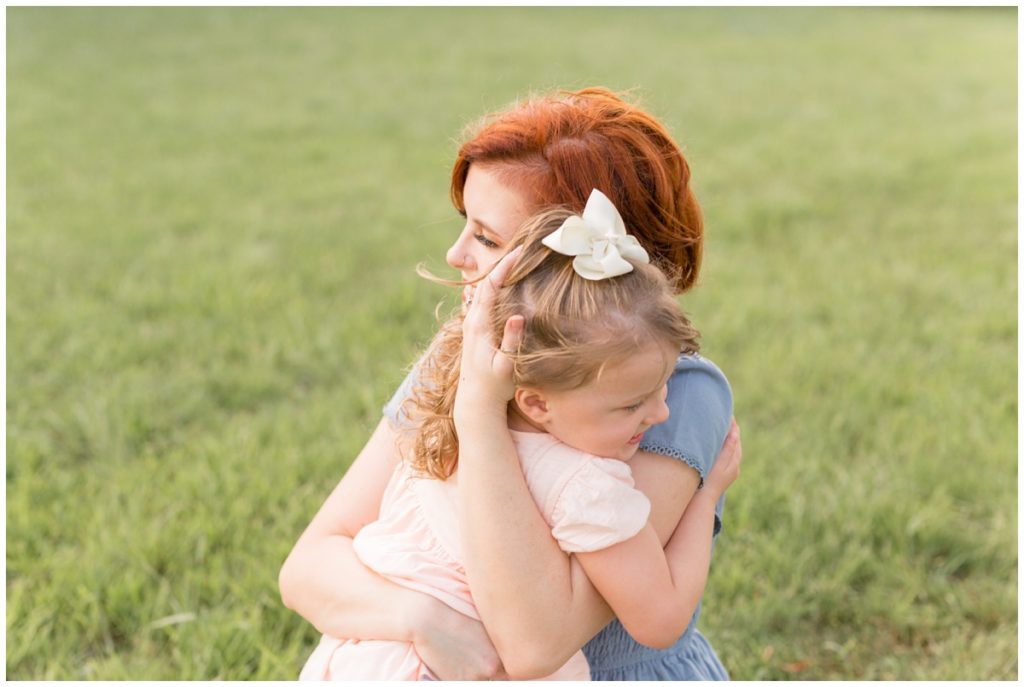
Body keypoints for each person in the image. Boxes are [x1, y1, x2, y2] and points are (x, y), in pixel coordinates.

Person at [280, 87, 741, 680]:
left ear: (569, 273)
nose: (454, 254)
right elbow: (308, 566)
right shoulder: (467, 353)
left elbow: (534, 647)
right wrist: (421, 618)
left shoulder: (674, 396)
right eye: (464, 225)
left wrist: (477, 412)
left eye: (487, 237)